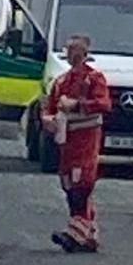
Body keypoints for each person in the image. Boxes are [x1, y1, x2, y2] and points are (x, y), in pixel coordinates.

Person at [41, 34, 112, 253]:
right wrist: (47, 121)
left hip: (86, 139)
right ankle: (86, 234)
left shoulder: (94, 78)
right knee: (68, 183)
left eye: (77, 51)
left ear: (85, 53)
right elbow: (48, 107)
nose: (73, 55)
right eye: (70, 51)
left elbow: (104, 104)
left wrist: (78, 105)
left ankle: (76, 233)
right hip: (65, 140)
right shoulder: (61, 81)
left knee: (82, 184)